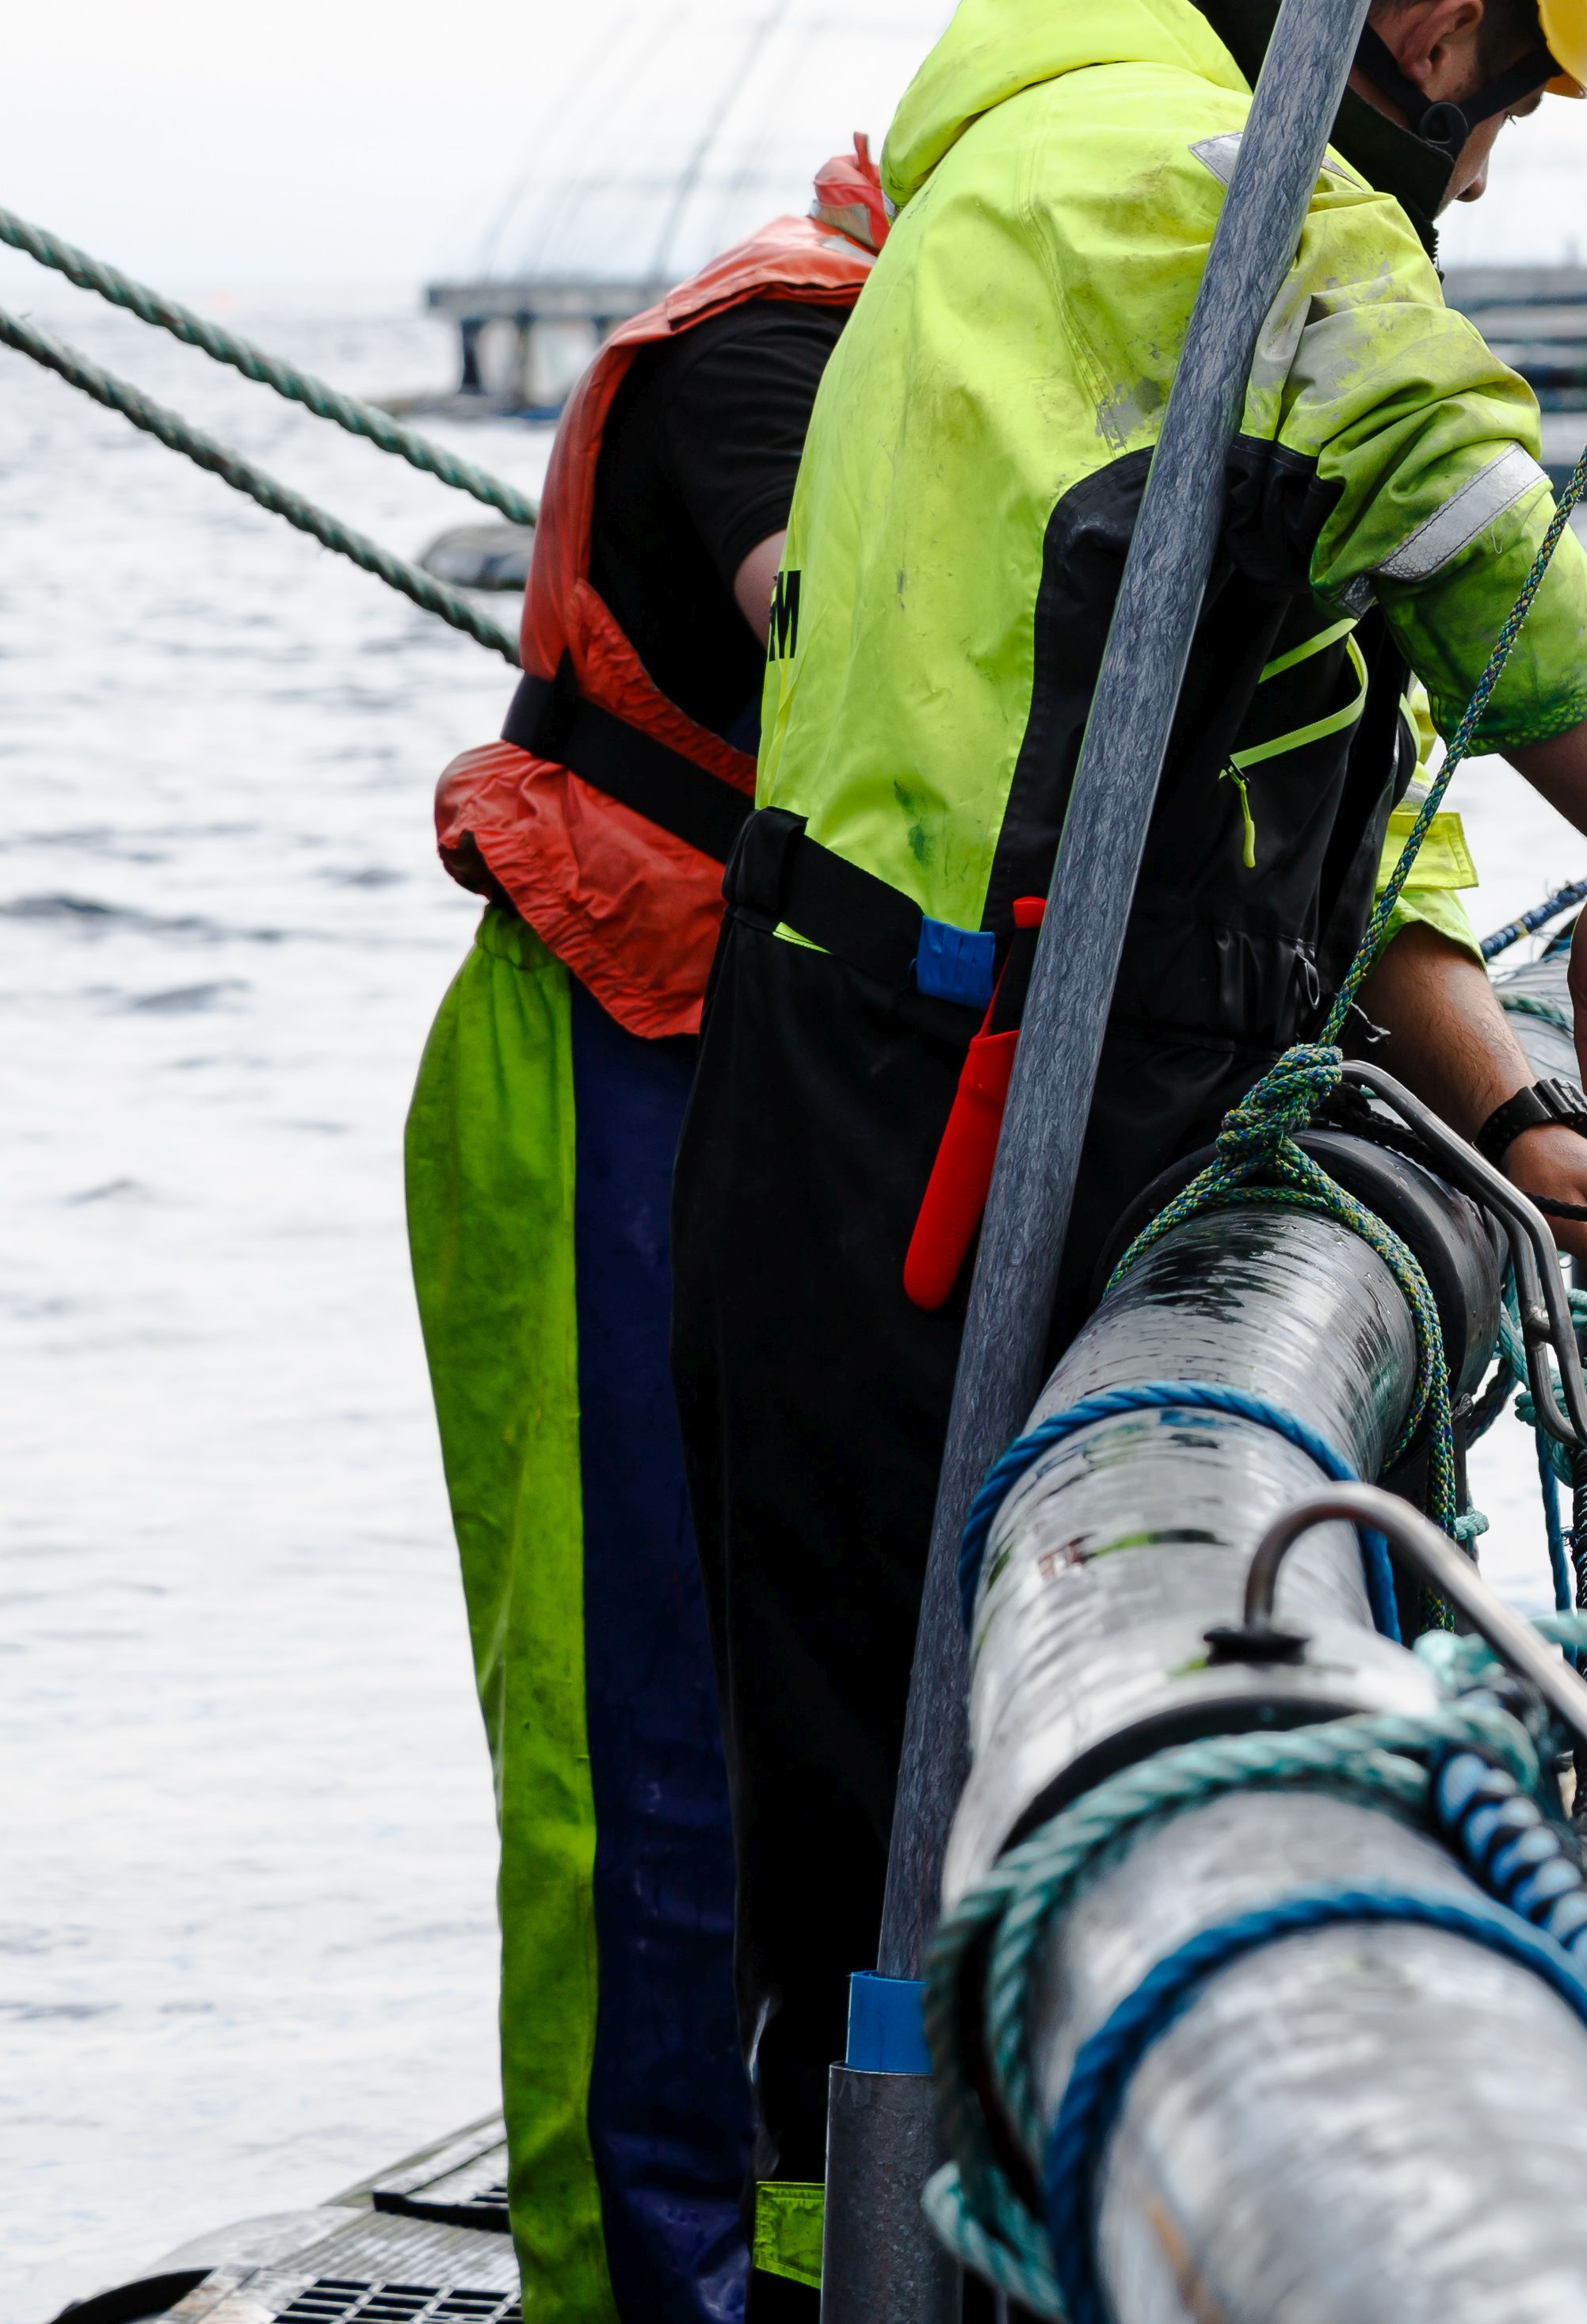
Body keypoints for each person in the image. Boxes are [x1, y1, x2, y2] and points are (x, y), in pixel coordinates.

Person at [665, 0, 1587, 2305]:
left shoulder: (1105, 160)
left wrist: (1504, 1096)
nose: (1479, 180)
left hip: (991, 1082)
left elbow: (1299, 736)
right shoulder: (1181, 184)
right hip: (914, 1125)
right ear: (1445, 27)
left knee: (904, 1795)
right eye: (1503, 110)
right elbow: (1469, 508)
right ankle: (881, 2273)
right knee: (873, 1819)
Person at [405, 141, 890, 2324]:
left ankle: (809, 2239)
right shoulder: (775, 340)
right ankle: (631, 2292)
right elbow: (818, 604)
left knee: (836, 1720)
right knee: (639, 1737)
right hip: (610, 1045)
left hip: (802, 1084)